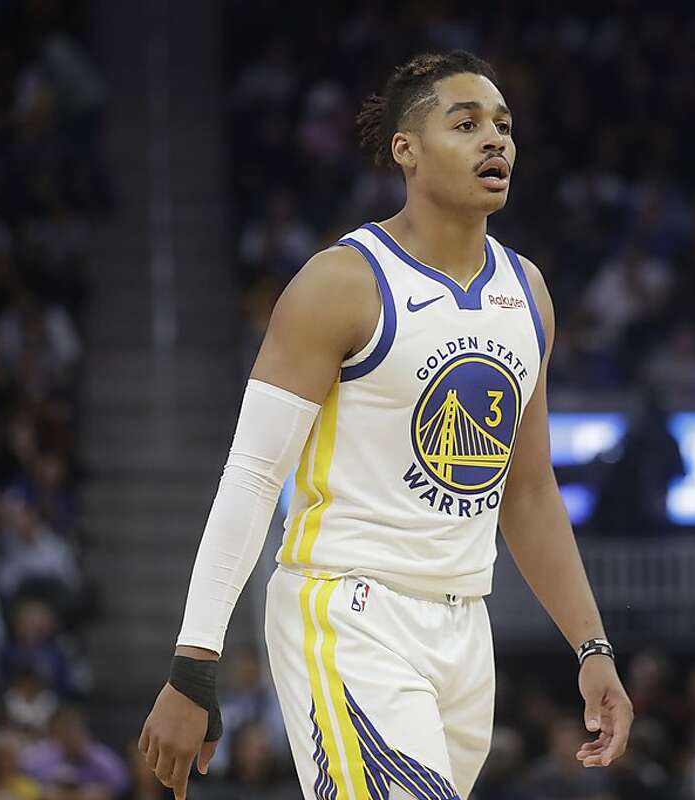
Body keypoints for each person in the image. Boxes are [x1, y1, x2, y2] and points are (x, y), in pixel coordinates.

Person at [138, 50, 634, 800]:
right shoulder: (342, 282)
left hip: (467, 630)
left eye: (502, 125)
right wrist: (193, 663)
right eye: (464, 124)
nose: (494, 140)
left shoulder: (526, 290)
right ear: (406, 149)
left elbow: (527, 492)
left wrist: (591, 647)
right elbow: (252, 476)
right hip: (348, 611)